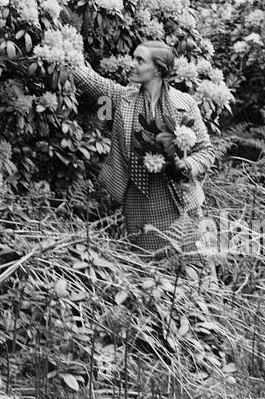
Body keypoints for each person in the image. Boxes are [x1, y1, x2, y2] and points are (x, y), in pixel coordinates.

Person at [68, 40, 221, 279]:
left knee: (194, 274)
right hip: (138, 201)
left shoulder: (185, 103)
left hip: (180, 200)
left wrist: (187, 164)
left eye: (140, 60)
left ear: (158, 69)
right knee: (150, 276)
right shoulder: (122, 99)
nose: (132, 64)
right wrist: (62, 55)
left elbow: (206, 151)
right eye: (133, 58)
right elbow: (92, 82)